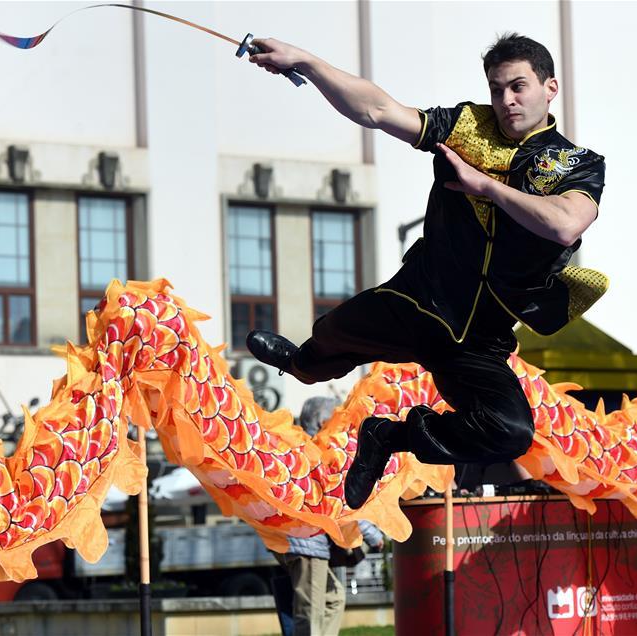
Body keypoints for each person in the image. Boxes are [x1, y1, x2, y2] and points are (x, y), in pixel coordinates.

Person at [246, 34, 606, 510]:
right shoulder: (467, 125)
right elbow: (377, 110)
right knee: (330, 339)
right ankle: (298, 364)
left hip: (479, 337)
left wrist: (486, 187)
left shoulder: (578, 164)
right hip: (419, 302)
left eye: (518, 86)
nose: (506, 100)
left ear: (550, 87)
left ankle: (386, 437)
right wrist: (307, 63)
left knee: (511, 432)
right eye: (497, 89)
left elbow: (565, 224)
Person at [270, 397, 385, 636]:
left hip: (295, 540)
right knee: (310, 610)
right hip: (307, 543)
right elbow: (341, 501)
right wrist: (372, 534)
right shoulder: (319, 453)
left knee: (333, 597)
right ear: (323, 421)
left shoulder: (298, 447)